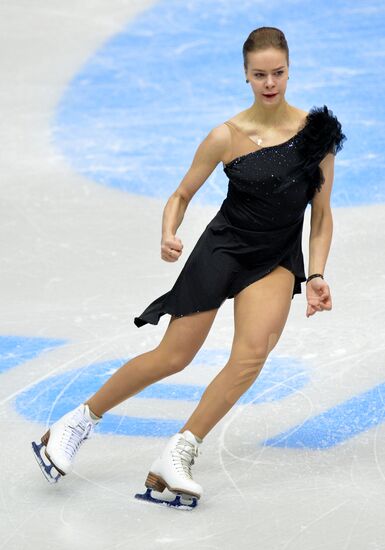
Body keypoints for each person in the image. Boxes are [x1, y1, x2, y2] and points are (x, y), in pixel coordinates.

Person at [31, 26, 346, 508]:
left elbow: (321, 216)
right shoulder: (226, 136)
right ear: (245, 75)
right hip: (224, 248)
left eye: (277, 73)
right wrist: (168, 231)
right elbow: (181, 195)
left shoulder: (317, 135)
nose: (269, 82)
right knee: (174, 356)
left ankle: (177, 453)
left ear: (289, 70)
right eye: (259, 74)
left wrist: (318, 273)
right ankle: (75, 422)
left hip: (276, 256)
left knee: (252, 354)